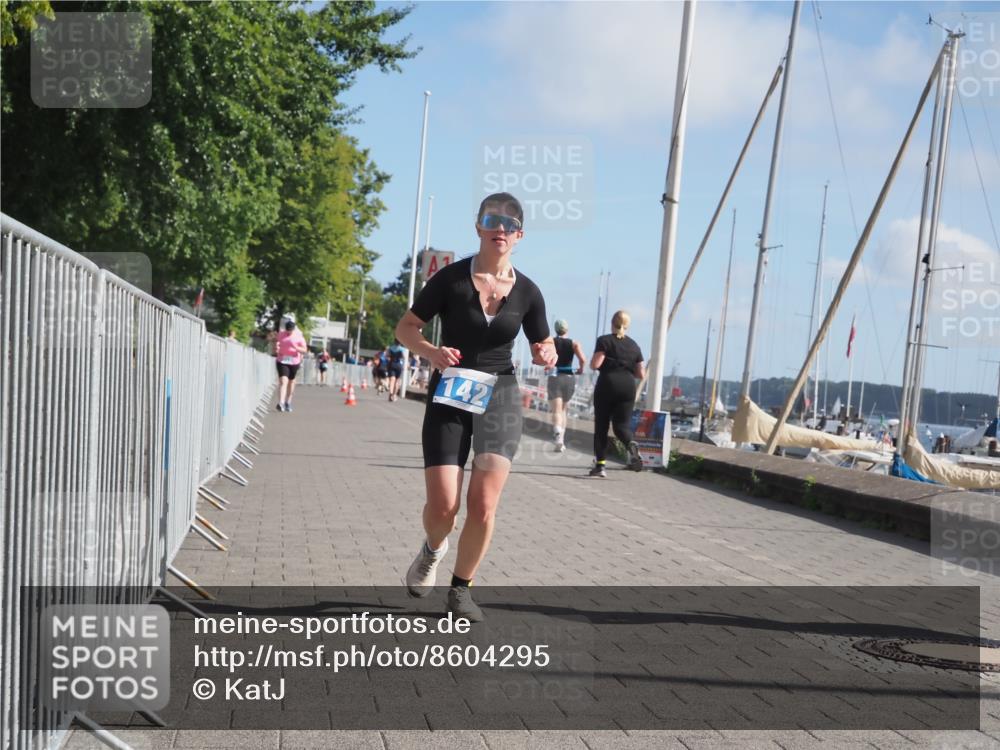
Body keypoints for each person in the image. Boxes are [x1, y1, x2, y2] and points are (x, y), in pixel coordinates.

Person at [395, 192, 555, 622]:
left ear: (519, 235)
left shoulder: (528, 291)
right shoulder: (450, 280)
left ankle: (461, 590)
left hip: (500, 397)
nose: (500, 228)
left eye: (509, 223)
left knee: (483, 504)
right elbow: (406, 328)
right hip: (451, 391)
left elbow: (543, 341)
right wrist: (430, 351)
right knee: (444, 508)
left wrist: (546, 352)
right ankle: (432, 549)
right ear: (479, 227)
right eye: (491, 220)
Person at [589, 310, 645, 477]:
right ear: (627, 326)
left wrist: (597, 362)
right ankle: (630, 444)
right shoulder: (634, 345)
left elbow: (595, 364)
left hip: (608, 384)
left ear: (612, 323)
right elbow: (641, 373)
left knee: (602, 426)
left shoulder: (604, 341)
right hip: (628, 386)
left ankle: (600, 466)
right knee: (621, 426)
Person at [546, 319, 585, 452]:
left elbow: (546, 360)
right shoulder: (574, 344)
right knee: (563, 410)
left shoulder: (550, 342)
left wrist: (548, 366)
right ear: (567, 330)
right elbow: (583, 359)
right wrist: (580, 369)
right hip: (568, 378)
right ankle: (561, 441)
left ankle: (557, 433)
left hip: (555, 377)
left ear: (556, 329)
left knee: (556, 410)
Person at [274, 315, 308, 412]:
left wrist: (296, 348)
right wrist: (276, 347)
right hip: (282, 360)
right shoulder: (281, 334)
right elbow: (277, 342)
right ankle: (280, 403)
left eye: (290, 330)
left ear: (293, 329)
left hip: (294, 361)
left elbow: (304, 350)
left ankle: (288, 402)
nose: (289, 332)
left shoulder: (299, 336)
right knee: (283, 381)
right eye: (287, 330)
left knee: (291, 382)